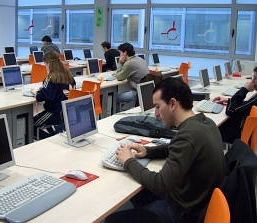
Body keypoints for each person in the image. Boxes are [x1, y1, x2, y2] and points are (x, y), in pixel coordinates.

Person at [106, 78, 225, 223]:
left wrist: (128, 161)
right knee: (136, 191)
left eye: (157, 106)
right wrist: (148, 151)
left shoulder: (188, 135)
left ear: (173, 103)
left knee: (112, 220)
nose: (156, 114)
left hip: (182, 213)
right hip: (196, 202)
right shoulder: (205, 123)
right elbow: (175, 147)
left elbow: (160, 185)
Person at [31, 51, 76, 140]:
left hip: (55, 113)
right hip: (67, 112)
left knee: (30, 124)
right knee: (43, 122)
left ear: (48, 63)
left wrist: (36, 92)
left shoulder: (51, 78)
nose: (45, 66)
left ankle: (51, 140)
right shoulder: (69, 75)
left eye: (45, 64)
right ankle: (54, 136)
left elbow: (40, 98)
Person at [212, 66, 257, 144]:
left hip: (236, 134)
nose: (252, 81)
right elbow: (246, 105)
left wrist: (244, 90)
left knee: (208, 129)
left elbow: (230, 110)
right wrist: (229, 100)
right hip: (244, 131)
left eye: (255, 78)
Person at [114, 42, 149, 112]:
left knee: (115, 99)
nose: (119, 55)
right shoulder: (140, 59)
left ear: (125, 53)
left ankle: (116, 116)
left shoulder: (129, 63)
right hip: (145, 91)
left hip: (137, 93)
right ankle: (122, 112)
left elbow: (119, 77)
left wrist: (120, 63)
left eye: (120, 53)